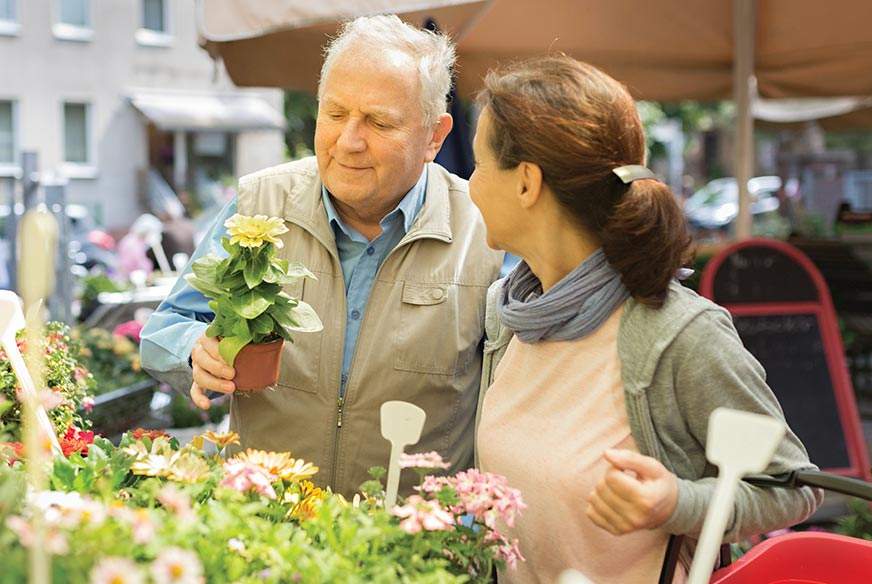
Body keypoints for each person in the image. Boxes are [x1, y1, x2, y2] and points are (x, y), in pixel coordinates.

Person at [470, 56, 821, 583]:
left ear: (526, 183)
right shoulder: (510, 316)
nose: (469, 185)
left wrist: (677, 502)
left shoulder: (678, 333)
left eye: (477, 165)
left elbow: (796, 486)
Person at [140, 15, 504, 497]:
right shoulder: (257, 206)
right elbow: (162, 331)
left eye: (379, 121)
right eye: (335, 113)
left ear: (434, 137)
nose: (348, 141)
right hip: (269, 529)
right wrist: (195, 351)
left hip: (412, 545)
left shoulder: (486, 229)